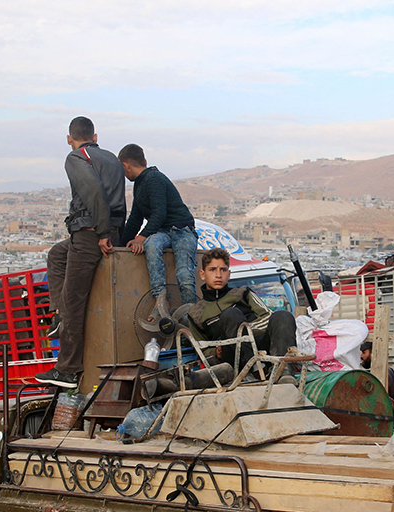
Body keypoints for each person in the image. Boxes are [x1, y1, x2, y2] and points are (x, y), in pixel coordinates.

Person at [37, 117, 127, 388]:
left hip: (91, 234)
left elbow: (94, 193)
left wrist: (101, 233)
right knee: (56, 255)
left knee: (73, 302)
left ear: (69, 139)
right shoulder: (110, 157)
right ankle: (57, 316)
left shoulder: (76, 157)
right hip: (107, 230)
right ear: (95, 136)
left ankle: (66, 369)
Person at [118, 144, 198, 319]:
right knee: (152, 244)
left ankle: (192, 316)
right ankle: (160, 300)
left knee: (184, 273)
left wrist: (140, 237)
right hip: (164, 231)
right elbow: (135, 219)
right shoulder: (141, 184)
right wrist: (121, 245)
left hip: (182, 230)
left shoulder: (153, 179)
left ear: (125, 166)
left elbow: (159, 213)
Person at [187, 248, 297, 374]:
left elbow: (268, 317)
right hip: (231, 360)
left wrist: (245, 331)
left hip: (261, 349)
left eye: (223, 270)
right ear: (202, 274)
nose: (218, 275)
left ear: (228, 274)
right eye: (212, 270)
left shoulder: (242, 293)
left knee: (283, 316)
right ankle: (254, 370)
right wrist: (215, 352)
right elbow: (201, 349)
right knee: (230, 315)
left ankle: (284, 372)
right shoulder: (196, 313)